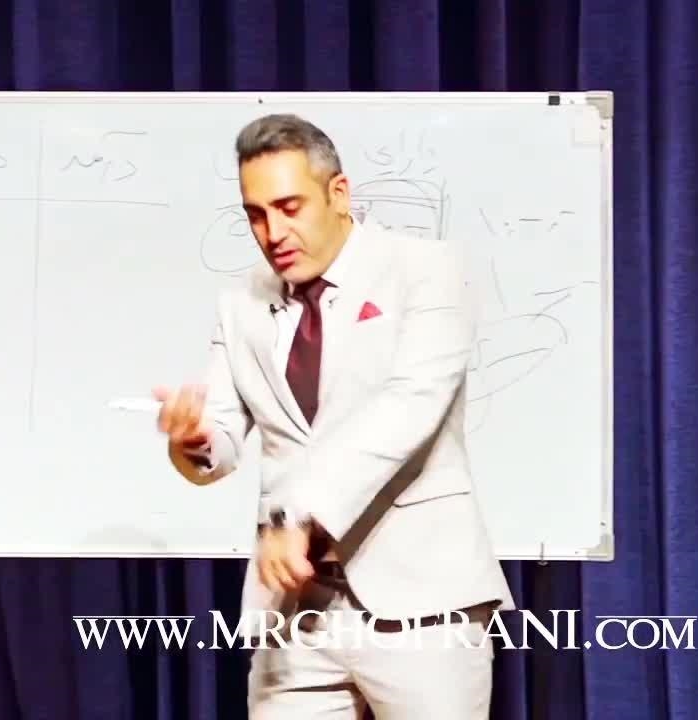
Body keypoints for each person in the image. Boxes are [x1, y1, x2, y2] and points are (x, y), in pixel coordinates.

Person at [153, 113, 514, 719]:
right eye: (256, 214)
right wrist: (193, 439)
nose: (273, 232)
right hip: (295, 612)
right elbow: (220, 442)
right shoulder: (240, 304)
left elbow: (410, 405)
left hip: (423, 605)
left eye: (289, 207)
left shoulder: (427, 269)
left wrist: (302, 517)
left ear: (339, 194)